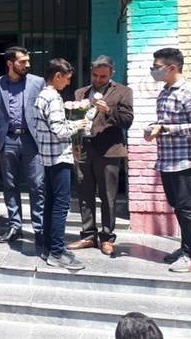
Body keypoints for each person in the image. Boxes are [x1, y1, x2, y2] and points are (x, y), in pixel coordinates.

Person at [144, 48, 191, 273]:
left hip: (186, 161)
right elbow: (165, 123)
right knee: (179, 208)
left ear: (172, 67)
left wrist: (165, 129)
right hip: (167, 160)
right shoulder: (165, 92)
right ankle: (186, 249)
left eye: (156, 67)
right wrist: (153, 128)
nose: (153, 70)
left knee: (187, 208)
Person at [67, 56, 134, 256]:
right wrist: (74, 143)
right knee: (84, 194)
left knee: (108, 196)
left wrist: (109, 111)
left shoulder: (123, 91)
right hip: (83, 149)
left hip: (109, 151)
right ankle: (88, 235)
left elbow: (127, 121)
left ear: (112, 73)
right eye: (95, 75)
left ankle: (107, 238)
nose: (98, 79)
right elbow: (74, 120)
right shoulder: (80, 93)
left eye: (103, 76)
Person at [0, 46, 45, 244]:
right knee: (10, 185)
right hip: (7, 141)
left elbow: (45, 112)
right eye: (22, 61)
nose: (27, 64)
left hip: (32, 141)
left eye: (28, 61)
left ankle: (39, 228)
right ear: (10, 63)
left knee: (37, 185)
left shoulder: (38, 82)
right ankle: (14, 226)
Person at [34, 58, 87, 270]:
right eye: (67, 78)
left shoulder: (41, 95)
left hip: (47, 157)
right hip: (58, 158)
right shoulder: (54, 97)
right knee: (61, 205)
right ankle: (56, 252)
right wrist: (77, 125)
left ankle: (49, 247)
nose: (68, 83)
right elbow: (59, 130)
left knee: (50, 203)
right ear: (57, 76)